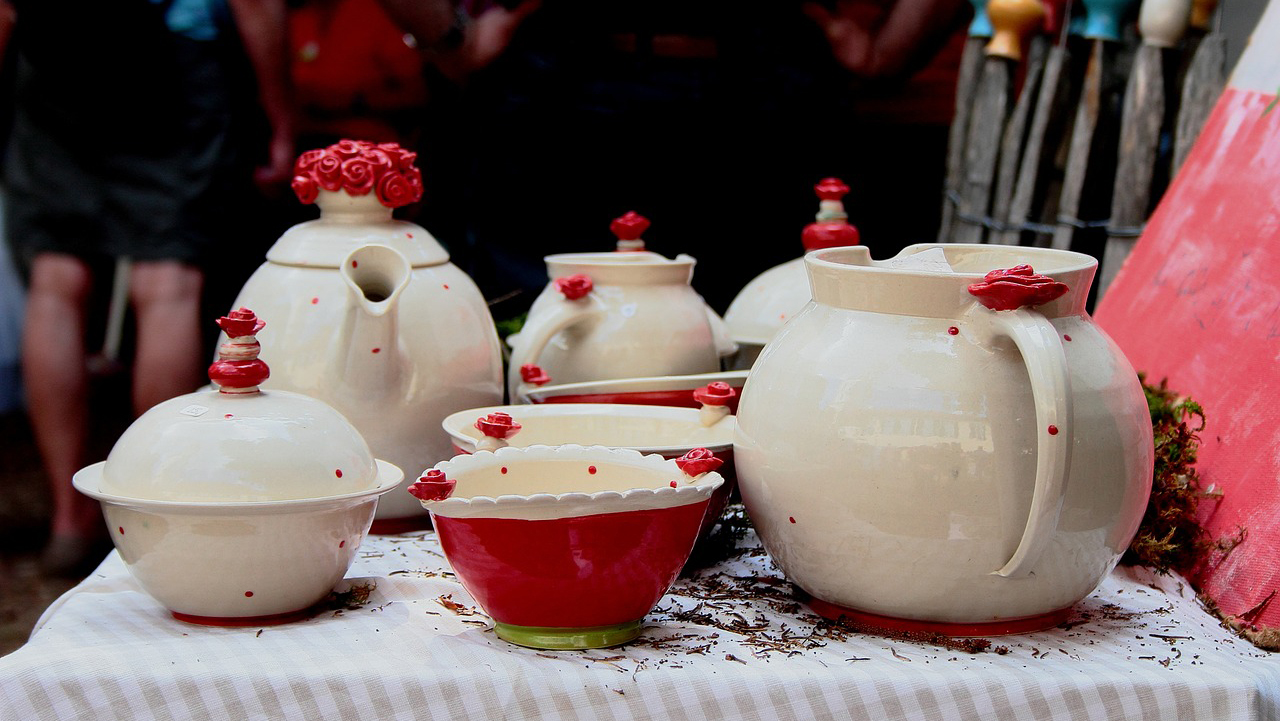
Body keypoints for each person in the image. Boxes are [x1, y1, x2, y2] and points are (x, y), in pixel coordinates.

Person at [378, 0, 969, 317]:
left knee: (559, 329)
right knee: (768, 333)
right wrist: (886, 51)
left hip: (740, 83)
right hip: (599, 84)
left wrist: (452, 41)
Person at [0, 0, 293, 575]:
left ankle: (69, 521)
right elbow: (256, 4)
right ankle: (150, 508)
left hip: (54, 67)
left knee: (56, 281)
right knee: (167, 284)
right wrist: (280, 115)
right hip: (174, 70)